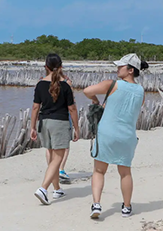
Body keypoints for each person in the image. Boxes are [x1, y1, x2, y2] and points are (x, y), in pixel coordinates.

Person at [83, 53, 148, 219]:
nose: (117, 68)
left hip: (107, 133)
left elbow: (87, 91)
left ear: (131, 70)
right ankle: (126, 207)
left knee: (99, 170)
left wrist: (96, 101)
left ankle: (96, 204)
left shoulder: (112, 84)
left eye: (121, 66)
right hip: (127, 135)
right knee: (125, 172)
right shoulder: (141, 91)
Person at [30, 54, 80, 205]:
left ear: (46, 67)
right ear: (61, 67)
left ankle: (57, 189)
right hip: (60, 122)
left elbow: (35, 108)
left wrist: (32, 126)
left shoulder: (40, 84)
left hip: (44, 122)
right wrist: (77, 128)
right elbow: (72, 109)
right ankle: (43, 189)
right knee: (58, 158)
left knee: (52, 156)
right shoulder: (65, 86)